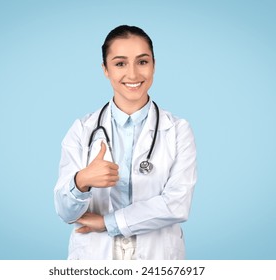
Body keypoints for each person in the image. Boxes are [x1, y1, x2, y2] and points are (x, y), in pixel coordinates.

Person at [54, 25, 197, 260]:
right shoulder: (82, 129)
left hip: (157, 256)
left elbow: (177, 204)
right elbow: (65, 211)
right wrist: (82, 181)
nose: (132, 74)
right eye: (120, 63)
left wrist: (107, 222)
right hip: (95, 255)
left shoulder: (178, 130)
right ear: (105, 70)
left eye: (142, 62)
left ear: (154, 65)